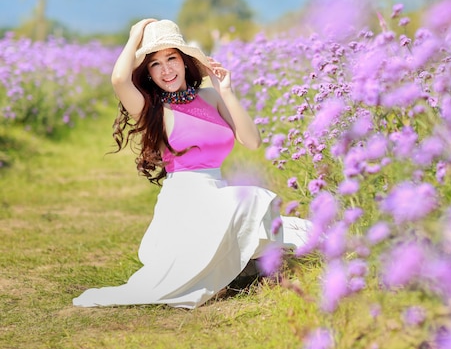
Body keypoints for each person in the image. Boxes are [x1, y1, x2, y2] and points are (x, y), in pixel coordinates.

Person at [73, 19, 311, 309]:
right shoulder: (152, 109)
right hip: (185, 200)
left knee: (300, 230)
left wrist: (226, 91)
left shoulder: (211, 96)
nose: (166, 69)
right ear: (148, 73)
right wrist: (136, 35)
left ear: (185, 62)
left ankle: (243, 272)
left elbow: (252, 141)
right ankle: (241, 272)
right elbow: (119, 80)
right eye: (155, 64)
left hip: (218, 193)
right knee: (251, 201)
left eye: (171, 58)